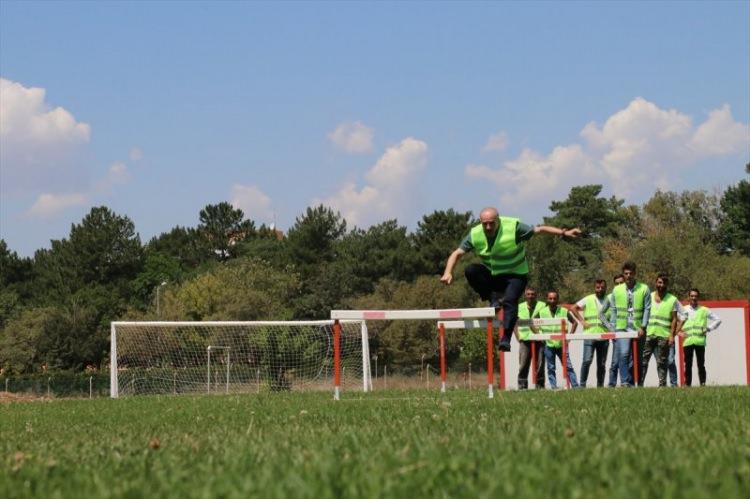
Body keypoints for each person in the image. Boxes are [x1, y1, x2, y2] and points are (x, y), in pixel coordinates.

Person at [441, 207, 581, 352]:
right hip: (495, 276)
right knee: (471, 270)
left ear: (498, 220)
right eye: (485, 224)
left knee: (509, 301)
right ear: (480, 222)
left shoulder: (513, 227)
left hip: (516, 275)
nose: (488, 227)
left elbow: (540, 230)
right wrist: (448, 272)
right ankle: (493, 297)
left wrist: (565, 232)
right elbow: (457, 253)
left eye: (491, 223)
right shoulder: (475, 233)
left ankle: (506, 339)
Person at [600, 261, 651, 387]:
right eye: (626, 273)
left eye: (631, 273)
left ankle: (636, 382)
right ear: (623, 274)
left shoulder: (644, 288)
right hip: (621, 328)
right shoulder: (617, 290)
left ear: (635, 274)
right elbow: (613, 310)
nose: (628, 275)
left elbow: (647, 308)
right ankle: (624, 381)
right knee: (624, 354)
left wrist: (643, 327)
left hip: (638, 328)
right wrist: (613, 328)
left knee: (637, 358)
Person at [572, 279, 612, 388]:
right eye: (597, 287)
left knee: (602, 364)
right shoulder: (589, 298)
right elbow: (573, 308)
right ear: (594, 288)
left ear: (605, 288)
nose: (600, 289)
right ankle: (582, 385)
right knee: (587, 360)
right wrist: (582, 321)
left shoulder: (609, 300)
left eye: (602, 287)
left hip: (604, 336)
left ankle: (600, 385)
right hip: (589, 335)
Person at [677, 289, 722, 386]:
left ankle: (702, 383)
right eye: (692, 296)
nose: (694, 298)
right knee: (688, 365)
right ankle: (687, 384)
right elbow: (673, 321)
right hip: (687, 341)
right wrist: (679, 332)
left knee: (701, 364)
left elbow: (718, 320)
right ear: (689, 297)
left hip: (700, 341)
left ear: (698, 297)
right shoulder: (683, 309)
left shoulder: (704, 310)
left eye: (695, 296)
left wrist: (709, 328)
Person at [536, 290, 579, 389]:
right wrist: (539, 335)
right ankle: (554, 387)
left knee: (568, 366)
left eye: (554, 298)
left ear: (557, 299)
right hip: (549, 344)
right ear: (547, 299)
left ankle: (576, 386)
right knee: (551, 368)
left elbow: (575, 323)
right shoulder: (542, 312)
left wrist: (569, 338)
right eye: (550, 298)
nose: (552, 300)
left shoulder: (563, 311)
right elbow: (532, 323)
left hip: (562, 344)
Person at [640, 274, 678, 387]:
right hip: (648, 334)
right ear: (656, 283)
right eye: (660, 282)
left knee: (662, 362)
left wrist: (672, 335)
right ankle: (640, 384)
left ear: (667, 284)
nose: (662, 285)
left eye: (664, 283)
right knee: (643, 361)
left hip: (663, 336)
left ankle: (662, 385)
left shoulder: (672, 299)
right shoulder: (649, 296)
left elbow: (674, 319)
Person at [514, 286, 546, 390]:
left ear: (536, 295)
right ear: (525, 295)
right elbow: (514, 323)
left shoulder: (542, 305)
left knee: (540, 364)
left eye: (532, 294)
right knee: (523, 365)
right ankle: (522, 387)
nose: (530, 296)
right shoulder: (519, 307)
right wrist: (518, 336)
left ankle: (540, 386)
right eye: (528, 294)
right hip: (525, 339)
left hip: (539, 339)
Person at [607, 274, 625, 387]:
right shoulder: (611, 296)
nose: (619, 285)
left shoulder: (630, 295)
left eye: (621, 283)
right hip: (616, 333)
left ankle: (627, 383)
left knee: (629, 361)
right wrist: (610, 328)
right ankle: (612, 384)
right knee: (615, 361)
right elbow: (601, 314)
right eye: (616, 283)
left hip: (629, 331)